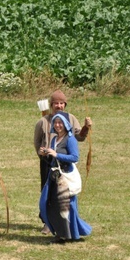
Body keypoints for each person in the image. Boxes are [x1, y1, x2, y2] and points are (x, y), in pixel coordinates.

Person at [34, 90, 92, 234]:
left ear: (64, 105)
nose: (58, 106)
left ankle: (66, 224)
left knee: (65, 194)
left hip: (64, 165)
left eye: (61, 103)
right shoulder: (43, 121)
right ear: (51, 105)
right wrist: (43, 154)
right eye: (55, 103)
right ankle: (47, 222)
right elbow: (37, 141)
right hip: (48, 162)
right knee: (47, 192)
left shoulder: (71, 119)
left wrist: (85, 127)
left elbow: (79, 136)